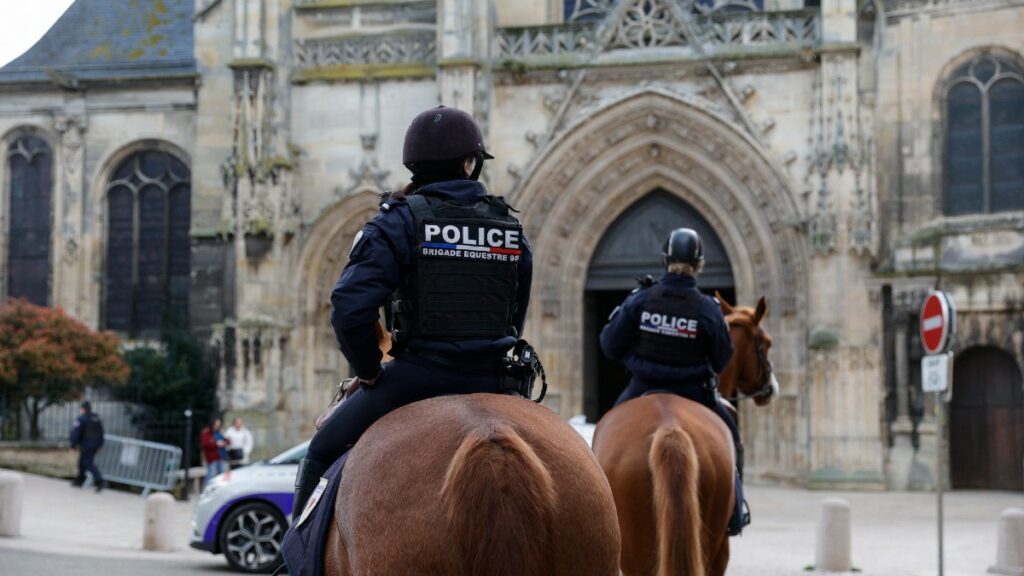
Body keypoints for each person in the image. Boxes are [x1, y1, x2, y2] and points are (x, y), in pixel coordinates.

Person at [292, 105, 534, 517]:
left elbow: (350, 307)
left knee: (321, 449)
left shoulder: (397, 223)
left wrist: (369, 370)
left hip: (417, 377)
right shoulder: (508, 227)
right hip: (495, 378)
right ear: (470, 164)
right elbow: (516, 312)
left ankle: (294, 557)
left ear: (414, 164)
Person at [599, 228, 749, 536]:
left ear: (665, 260)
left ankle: (597, 505)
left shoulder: (640, 300)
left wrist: (634, 361)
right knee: (731, 436)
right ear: (699, 264)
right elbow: (722, 361)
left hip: (641, 388)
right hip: (695, 392)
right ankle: (734, 512)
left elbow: (609, 344)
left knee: (604, 435)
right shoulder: (708, 309)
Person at [70, 400, 105, 492]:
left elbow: (76, 433)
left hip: (86, 445)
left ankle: (100, 481)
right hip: (95, 445)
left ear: (82, 409)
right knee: (82, 463)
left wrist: (73, 445)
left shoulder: (81, 419)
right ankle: (79, 480)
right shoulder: (96, 418)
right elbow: (101, 432)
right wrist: (100, 444)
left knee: (88, 463)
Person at [200, 417, 228, 484]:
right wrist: (216, 444)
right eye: (216, 425)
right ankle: (208, 491)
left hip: (222, 457)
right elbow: (205, 444)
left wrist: (225, 442)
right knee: (211, 476)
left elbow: (227, 440)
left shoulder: (220, 432)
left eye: (219, 425)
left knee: (223, 476)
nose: (217, 426)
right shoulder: (206, 433)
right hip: (212, 458)